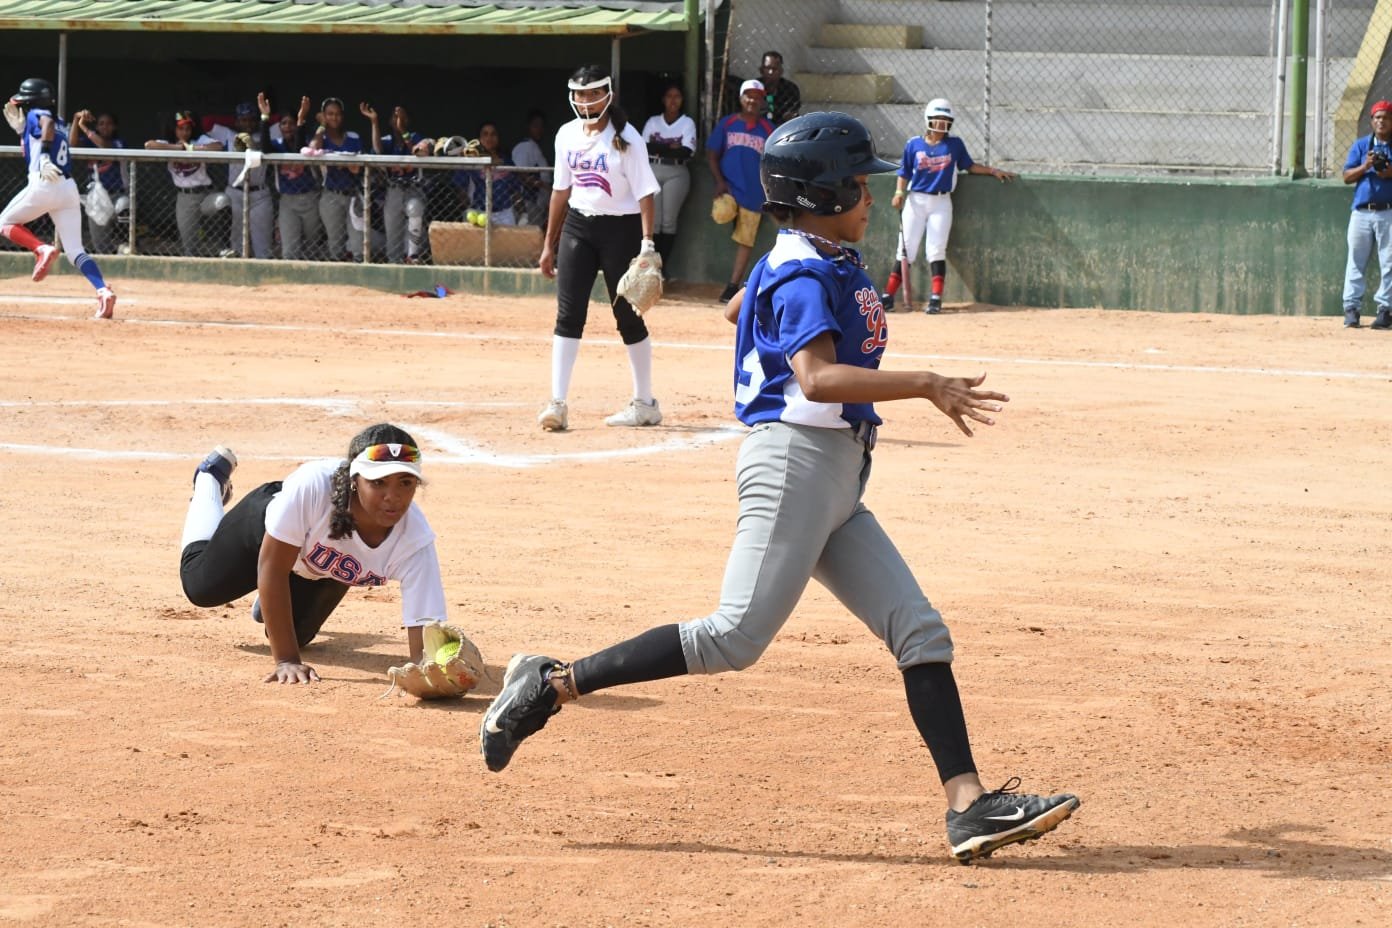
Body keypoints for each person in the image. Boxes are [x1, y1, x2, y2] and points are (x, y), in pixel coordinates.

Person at [478, 111, 1080, 865]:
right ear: (819, 197)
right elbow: (818, 378)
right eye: (856, 187)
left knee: (919, 630)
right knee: (733, 638)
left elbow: (738, 310)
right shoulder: (801, 267)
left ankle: (968, 807)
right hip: (795, 463)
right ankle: (550, 683)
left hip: (835, 475)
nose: (869, 198)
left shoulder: (802, 256)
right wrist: (926, 382)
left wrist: (766, 298)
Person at [178, 423, 451, 684]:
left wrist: (431, 675)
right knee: (201, 588)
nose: (393, 496)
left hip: (323, 570)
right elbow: (272, 568)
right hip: (265, 536)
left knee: (297, 636)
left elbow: (425, 639)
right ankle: (209, 483)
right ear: (355, 480)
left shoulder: (415, 540)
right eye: (378, 482)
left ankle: (273, 598)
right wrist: (286, 660)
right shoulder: (314, 486)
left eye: (405, 482)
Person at [536, 64, 663, 432]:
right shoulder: (566, 135)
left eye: (593, 92)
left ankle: (645, 403)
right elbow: (561, 190)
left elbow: (645, 194)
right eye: (579, 93)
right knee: (568, 314)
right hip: (578, 225)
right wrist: (549, 243)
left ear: (608, 94)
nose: (586, 100)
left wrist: (646, 245)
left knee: (627, 316)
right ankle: (557, 403)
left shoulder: (627, 138)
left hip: (620, 230)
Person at [880, 98, 1014, 315]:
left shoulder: (954, 145)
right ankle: (888, 295)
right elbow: (903, 172)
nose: (941, 124)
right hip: (916, 200)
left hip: (941, 201)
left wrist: (992, 170)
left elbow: (969, 166)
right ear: (928, 120)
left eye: (946, 120)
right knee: (906, 249)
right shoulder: (913, 144)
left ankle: (935, 298)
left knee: (936, 249)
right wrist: (898, 192)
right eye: (937, 119)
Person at [1, 78, 117, 319]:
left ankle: (40, 248)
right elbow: (56, 136)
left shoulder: (40, 114)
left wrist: (43, 156)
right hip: (67, 187)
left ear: (33, 101)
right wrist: (22, 131)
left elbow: (46, 124)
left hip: (44, 182)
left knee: (3, 223)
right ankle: (103, 291)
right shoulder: (61, 122)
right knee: (75, 250)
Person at [708, 79, 775, 303]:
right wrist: (719, 181)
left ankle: (732, 285)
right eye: (748, 95)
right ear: (740, 98)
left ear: (762, 100)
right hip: (729, 187)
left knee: (746, 239)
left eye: (757, 96)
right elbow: (712, 153)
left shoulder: (767, 129)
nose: (752, 100)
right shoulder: (728, 124)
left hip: (754, 193)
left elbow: (775, 160)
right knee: (721, 213)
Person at [144, 109, 224, 257]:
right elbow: (149, 145)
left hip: (205, 193)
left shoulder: (198, 140)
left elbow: (218, 146)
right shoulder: (167, 143)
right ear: (174, 129)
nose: (185, 132)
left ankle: (224, 247)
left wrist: (191, 148)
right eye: (180, 128)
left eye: (187, 129)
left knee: (223, 202)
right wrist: (179, 148)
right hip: (185, 197)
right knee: (189, 245)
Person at [1341, 98, 1392, 329]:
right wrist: (1366, 166)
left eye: (1386, 117)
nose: (1382, 121)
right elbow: (1346, 177)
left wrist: (1389, 172)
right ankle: (1352, 309)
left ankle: (1385, 310)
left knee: (1389, 262)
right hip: (1361, 213)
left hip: (1388, 212)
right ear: (1372, 121)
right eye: (1378, 117)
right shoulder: (1361, 146)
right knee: (1355, 260)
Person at [640, 82, 697, 276]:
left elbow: (686, 151)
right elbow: (644, 147)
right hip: (652, 168)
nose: (673, 100)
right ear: (663, 99)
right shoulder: (653, 121)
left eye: (677, 96)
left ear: (682, 100)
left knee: (668, 222)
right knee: (653, 222)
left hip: (677, 171)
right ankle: (651, 269)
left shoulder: (687, 122)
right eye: (669, 96)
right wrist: (671, 147)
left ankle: (662, 269)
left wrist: (660, 146)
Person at [368, 104, 431, 264]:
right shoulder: (388, 140)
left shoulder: (415, 136)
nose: (398, 120)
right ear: (389, 121)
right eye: (395, 117)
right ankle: (394, 261)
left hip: (413, 187)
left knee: (415, 208)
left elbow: (418, 151)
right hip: (393, 189)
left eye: (402, 117)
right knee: (392, 229)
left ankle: (413, 256)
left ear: (407, 120)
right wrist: (374, 122)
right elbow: (377, 151)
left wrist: (403, 130)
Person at [309, 97, 365, 262]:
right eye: (330, 114)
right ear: (323, 116)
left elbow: (359, 167)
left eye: (338, 114)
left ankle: (358, 277)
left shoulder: (353, 137)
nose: (334, 118)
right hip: (331, 195)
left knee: (357, 241)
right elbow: (312, 150)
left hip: (354, 194)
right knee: (335, 241)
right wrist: (321, 126)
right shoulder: (322, 138)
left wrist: (347, 164)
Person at [269, 95, 323, 260]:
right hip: (287, 200)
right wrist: (264, 118)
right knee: (289, 249)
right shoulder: (277, 144)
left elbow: (300, 150)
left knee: (312, 244)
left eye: (291, 123)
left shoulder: (307, 142)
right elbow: (264, 147)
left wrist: (301, 120)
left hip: (310, 198)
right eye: (283, 123)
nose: (287, 127)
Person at [221, 98, 274, 259]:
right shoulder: (228, 135)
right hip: (235, 193)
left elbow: (268, 142)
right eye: (243, 120)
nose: (248, 123)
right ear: (236, 121)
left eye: (251, 119)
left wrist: (265, 115)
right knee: (235, 244)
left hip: (259, 194)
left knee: (262, 245)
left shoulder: (265, 135)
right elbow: (207, 121)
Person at [70, 109, 128, 255]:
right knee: (100, 245)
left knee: (125, 206)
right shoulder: (89, 143)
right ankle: (107, 260)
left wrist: (84, 128)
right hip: (97, 197)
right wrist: (76, 121)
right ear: (97, 127)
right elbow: (72, 145)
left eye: (109, 124)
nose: (105, 127)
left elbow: (105, 148)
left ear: (115, 127)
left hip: (117, 194)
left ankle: (126, 245)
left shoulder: (119, 142)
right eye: (101, 124)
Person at [456, 120, 522, 226]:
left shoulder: (507, 161)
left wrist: (523, 214)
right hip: (478, 212)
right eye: (485, 134)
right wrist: (467, 209)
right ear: (479, 139)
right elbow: (460, 188)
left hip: (504, 213)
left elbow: (515, 191)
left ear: (498, 138)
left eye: (493, 134)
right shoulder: (472, 161)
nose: (489, 138)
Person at [511, 109, 552, 228]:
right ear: (528, 127)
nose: (539, 129)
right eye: (535, 125)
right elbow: (520, 174)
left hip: (537, 205)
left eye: (541, 126)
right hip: (526, 203)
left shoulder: (535, 147)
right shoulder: (524, 147)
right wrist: (546, 188)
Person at [758, 51, 802, 125]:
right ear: (761, 70)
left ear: (781, 71)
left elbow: (792, 114)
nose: (771, 72)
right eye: (767, 68)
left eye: (775, 69)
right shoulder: (755, 86)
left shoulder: (790, 89)